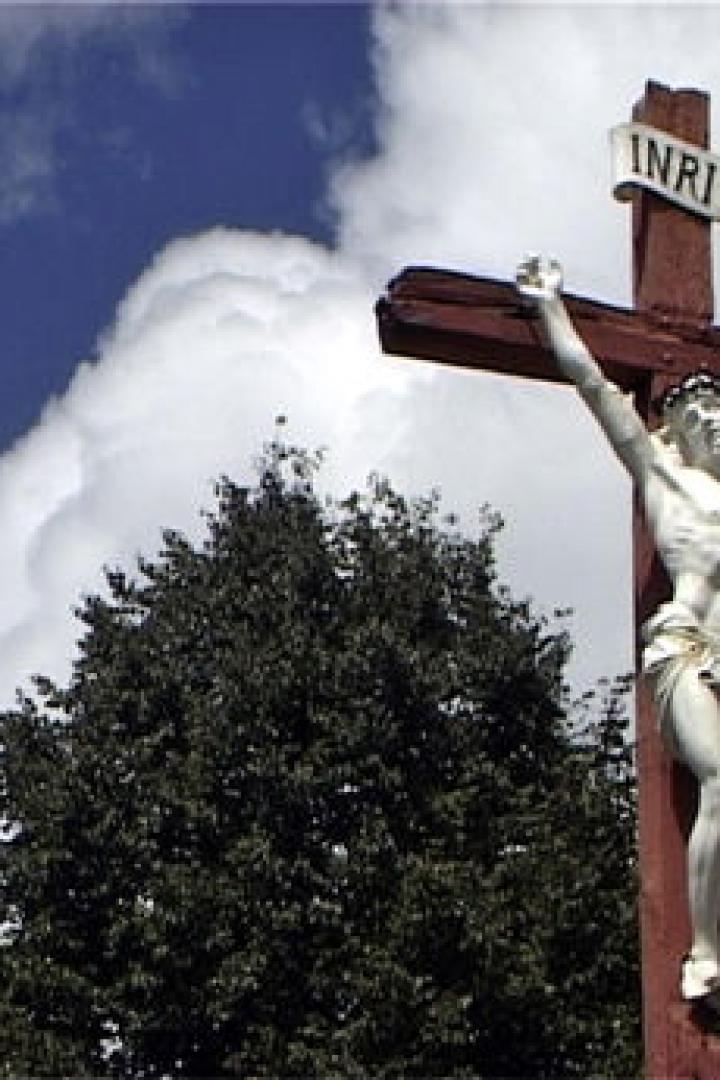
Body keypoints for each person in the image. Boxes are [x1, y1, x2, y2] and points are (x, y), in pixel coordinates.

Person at [516, 255, 720, 1003]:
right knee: (719, 781)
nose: (716, 427)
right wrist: (549, 310)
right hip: (689, 647)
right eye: (701, 420)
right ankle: (705, 953)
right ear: (679, 432)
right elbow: (597, 388)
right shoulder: (665, 479)